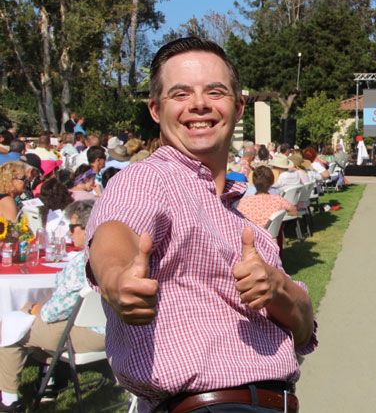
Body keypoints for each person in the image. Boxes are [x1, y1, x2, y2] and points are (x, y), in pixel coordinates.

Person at [84, 37, 316, 411]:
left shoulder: (241, 221)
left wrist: (278, 287)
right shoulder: (150, 179)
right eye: (180, 94)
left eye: (215, 91)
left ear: (238, 107)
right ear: (156, 110)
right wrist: (116, 278)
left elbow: (304, 327)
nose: (199, 104)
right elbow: (116, 231)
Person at [0, 200, 104, 410]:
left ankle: (9, 401)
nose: (70, 233)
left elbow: (51, 314)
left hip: (87, 336)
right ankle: (49, 379)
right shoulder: (113, 255)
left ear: (86, 228)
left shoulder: (81, 263)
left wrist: (32, 308)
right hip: (116, 332)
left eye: (72, 228)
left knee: (11, 327)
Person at [238, 165, 298, 252]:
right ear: (271, 182)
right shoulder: (278, 199)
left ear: (254, 182)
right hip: (271, 241)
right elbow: (294, 212)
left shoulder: (244, 202)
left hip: (250, 242)